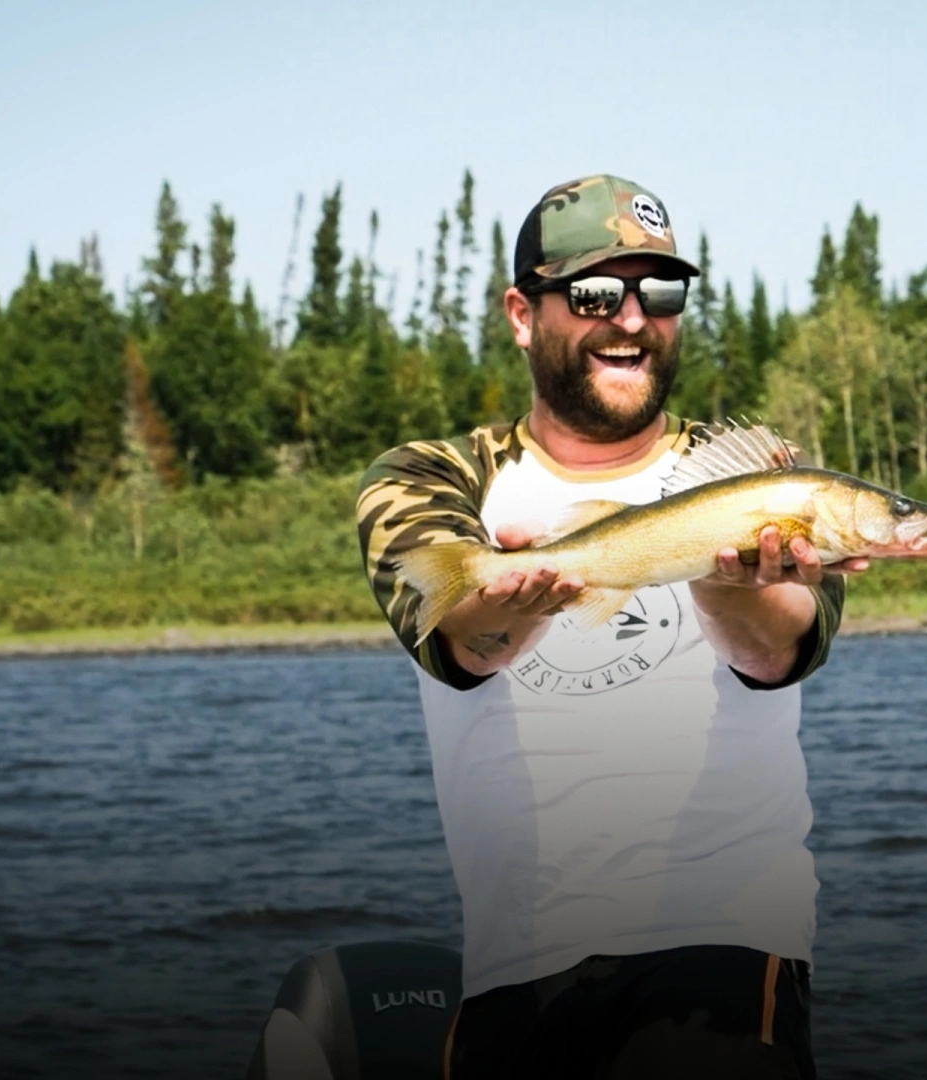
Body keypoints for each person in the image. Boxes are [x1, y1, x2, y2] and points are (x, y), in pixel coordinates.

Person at [355, 174, 862, 1079]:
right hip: (514, 969)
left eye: (659, 293)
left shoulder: (757, 482)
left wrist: (730, 575)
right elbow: (458, 643)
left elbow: (778, 648)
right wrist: (522, 587)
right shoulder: (438, 477)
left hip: (723, 943)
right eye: (593, 292)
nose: (630, 319)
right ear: (522, 312)